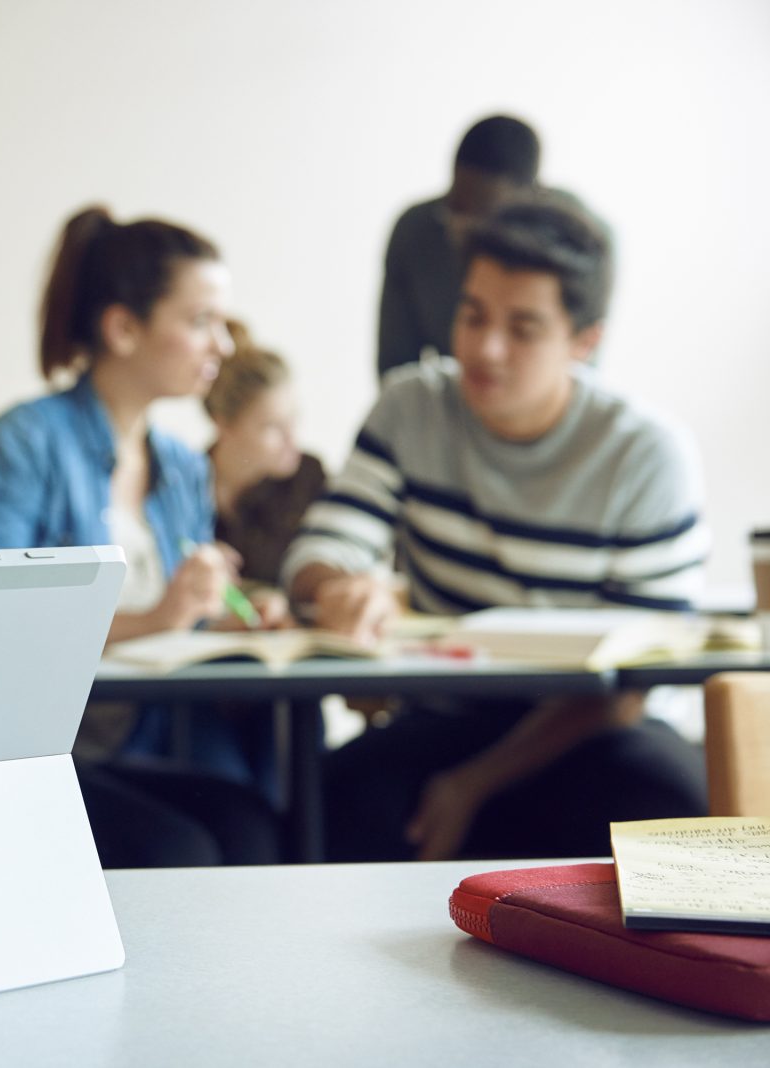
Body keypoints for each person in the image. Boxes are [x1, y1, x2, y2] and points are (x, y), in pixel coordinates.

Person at [284, 193, 710, 862]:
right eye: (472, 313)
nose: (485, 348)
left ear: (584, 341)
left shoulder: (645, 454)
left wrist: (472, 787)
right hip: (446, 715)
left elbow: (632, 684)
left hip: (591, 729)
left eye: (524, 328)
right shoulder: (411, 406)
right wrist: (341, 585)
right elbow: (324, 545)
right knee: (330, 805)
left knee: (663, 810)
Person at [0, 204, 279, 866]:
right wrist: (164, 614)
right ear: (123, 328)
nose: (222, 344)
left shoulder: (184, 465)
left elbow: (178, 627)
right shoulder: (23, 444)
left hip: (141, 741)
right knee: (183, 849)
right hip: (41, 752)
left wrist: (230, 613)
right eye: (200, 323)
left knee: (253, 822)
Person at [377, 115, 542, 379]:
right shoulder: (415, 231)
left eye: (480, 216)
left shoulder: (576, 249)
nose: (460, 228)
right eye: (454, 207)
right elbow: (395, 370)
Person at [204, 321, 326, 603]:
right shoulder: (182, 484)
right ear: (224, 424)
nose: (291, 439)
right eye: (272, 427)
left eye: (293, 420)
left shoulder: (309, 478)